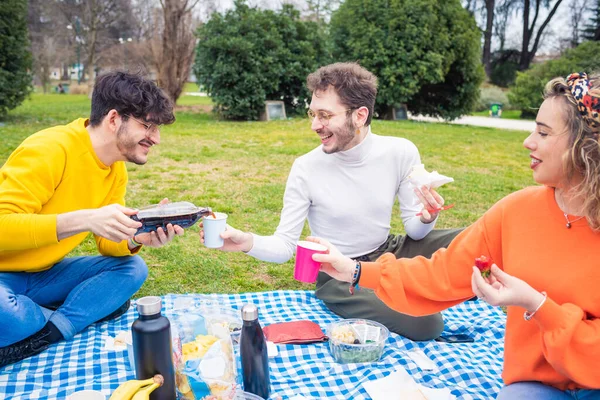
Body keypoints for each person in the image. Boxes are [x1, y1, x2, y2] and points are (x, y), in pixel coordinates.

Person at [309, 72, 600, 399]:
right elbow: (441, 274)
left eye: (543, 133)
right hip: (540, 385)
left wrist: (535, 304)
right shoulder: (516, 211)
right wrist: (355, 270)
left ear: (585, 146)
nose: (528, 141)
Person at [201, 62, 462, 340]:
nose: (315, 125)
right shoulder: (306, 167)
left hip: (389, 251)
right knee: (427, 323)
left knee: (477, 240)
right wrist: (247, 242)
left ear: (360, 115)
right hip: (338, 273)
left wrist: (427, 216)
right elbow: (286, 245)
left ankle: (436, 283)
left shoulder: (400, 151)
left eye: (325, 115)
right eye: (313, 114)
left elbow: (415, 231)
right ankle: (432, 287)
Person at [0, 71, 184, 368]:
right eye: (148, 125)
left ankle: (49, 331)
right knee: (5, 314)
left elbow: (106, 243)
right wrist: (84, 219)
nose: (156, 138)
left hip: (43, 275)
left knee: (132, 268)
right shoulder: (50, 149)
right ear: (114, 119)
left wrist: (136, 237)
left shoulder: (114, 170)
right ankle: (70, 310)